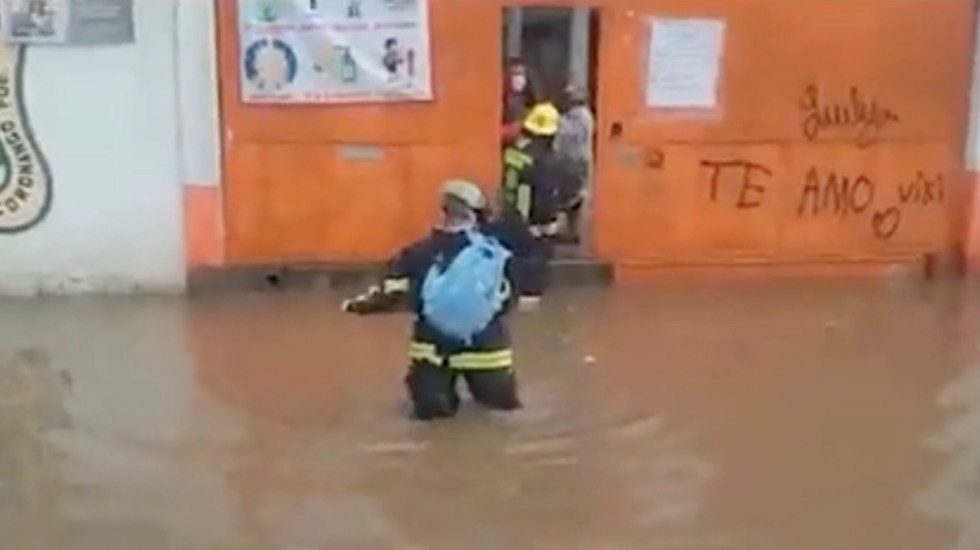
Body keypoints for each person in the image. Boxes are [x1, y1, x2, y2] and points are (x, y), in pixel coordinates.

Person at [343, 180, 522, 421]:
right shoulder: (494, 253)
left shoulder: (418, 252)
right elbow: (511, 296)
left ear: (444, 211)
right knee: (500, 415)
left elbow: (391, 295)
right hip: (487, 348)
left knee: (433, 421)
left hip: (432, 349)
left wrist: (356, 306)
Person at [501, 102, 568, 299]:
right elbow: (544, 195)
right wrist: (550, 224)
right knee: (531, 287)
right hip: (533, 227)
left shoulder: (514, 151)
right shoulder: (544, 160)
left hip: (510, 219)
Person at [554, 84, 595, 242]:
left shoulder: (579, 116)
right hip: (575, 161)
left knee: (572, 198)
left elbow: (566, 135)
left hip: (574, 161)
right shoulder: (578, 115)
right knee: (573, 197)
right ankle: (571, 231)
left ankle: (571, 231)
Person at [501, 58, 538, 145]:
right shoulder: (500, 100)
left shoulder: (528, 99)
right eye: (515, 74)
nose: (519, 79)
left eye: (522, 74)